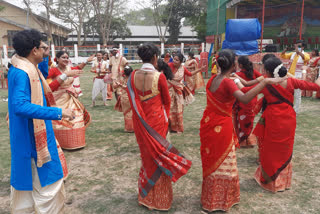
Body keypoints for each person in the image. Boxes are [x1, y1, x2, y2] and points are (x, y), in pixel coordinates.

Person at [199, 49, 285, 212]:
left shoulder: (212, 80)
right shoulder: (228, 82)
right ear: (233, 65)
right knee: (225, 161)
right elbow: (244, 97)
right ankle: (221, 200)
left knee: (211, 159)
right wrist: (265, 83)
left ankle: (210, 198)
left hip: (208, 123)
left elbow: (241, 91)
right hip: (222, 126)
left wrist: (259, 82)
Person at [8, 29, 74, 213]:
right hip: (33, 138)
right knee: (47, 184)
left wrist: (43, 49)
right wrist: (58, 112)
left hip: (29, 133)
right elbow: (20, 106)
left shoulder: (25, 66)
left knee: (28, 187)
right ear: (34, 50)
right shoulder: (23, 72)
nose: (45, 52)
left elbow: (44, 71)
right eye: (42, 48)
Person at [127, 43, 192, 211]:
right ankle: (159, 199)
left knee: (146, 157)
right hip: (157, 123)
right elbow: (167, 101)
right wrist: (164, 118)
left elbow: (133, 100)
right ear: (155, 57)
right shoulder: (159, 77)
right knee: (159, 157)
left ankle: (146, 196)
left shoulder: (132, 76)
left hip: (140, 123)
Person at [250, 57, 320, 193]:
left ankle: (270, 180)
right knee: (285, 148)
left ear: (268, 72)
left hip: (272, 119)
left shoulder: (266, 84)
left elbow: (247, 90)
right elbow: (315, 86)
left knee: (270, 150)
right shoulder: (291, 81)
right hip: (288, 119)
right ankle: (282, 182)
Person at [48, 51, 92, 150]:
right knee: (60, 118)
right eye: (63, 57)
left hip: (69, 97)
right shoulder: (54, 70)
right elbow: (49, 87)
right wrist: (65, 75)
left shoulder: (69, 69)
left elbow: (78, 68)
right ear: (57, 59)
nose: (66, 59)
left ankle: (75, 142)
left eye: (67, 57)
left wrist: (86, 61)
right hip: (58, 99)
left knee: (76, 117)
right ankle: (61, 143)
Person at [167, 53, 203, 133]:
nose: (174, 61)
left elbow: (190, 74)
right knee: (170, 108)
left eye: (177, 60)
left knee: (179, 108)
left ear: (180, 61)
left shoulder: (182, 68)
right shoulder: (169, 66)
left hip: (179, 91)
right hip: (170, 90)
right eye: (174, 59)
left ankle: (177, 127)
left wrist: (199, 70)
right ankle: (169, 127)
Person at [232, 56, 262, 148]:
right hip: (253, 100)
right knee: (249, 121)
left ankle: (242, 141)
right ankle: (248, 139)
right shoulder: (254, 72)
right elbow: (261, 80)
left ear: (240, 65)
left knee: (241, 121)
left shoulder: (237, 75)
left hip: (242, 100)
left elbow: (244, 86)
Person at [281, 40, 310, 113]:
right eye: (296, 46)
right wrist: (285, 50)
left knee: (297, 95)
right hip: (289, 76)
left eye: (299, 46)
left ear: (303, 47)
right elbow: (283, 56)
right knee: (287, 92)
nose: (297, 47)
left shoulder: (306, 54)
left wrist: (297, 50)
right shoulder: (292, 54)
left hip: (298, 77)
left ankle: (296, 111)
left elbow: (304, 58)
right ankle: (287, 108)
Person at [114, 66, 134, 132]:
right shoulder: (133, 80)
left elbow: (115, 86)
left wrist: (117, 83)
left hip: (124, 98)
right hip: (130, 98)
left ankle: (128, 127)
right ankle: (131, 128)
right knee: (130, 113)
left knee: (126, 113)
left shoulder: (123, 79)